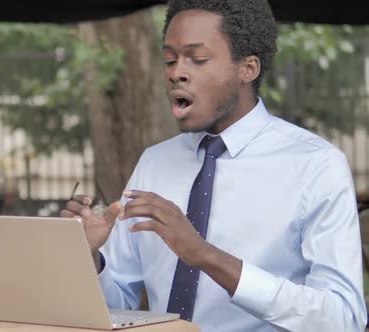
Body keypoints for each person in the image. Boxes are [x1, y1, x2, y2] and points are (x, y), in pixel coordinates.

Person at [60, 0, 367, 331]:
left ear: (248, 69)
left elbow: (343, 318)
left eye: (198, 59)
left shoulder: (316, 166)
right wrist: (91, 258)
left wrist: (206, 256)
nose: (176, 72)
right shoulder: (155, 162)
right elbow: (119, 304)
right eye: (169, 59)